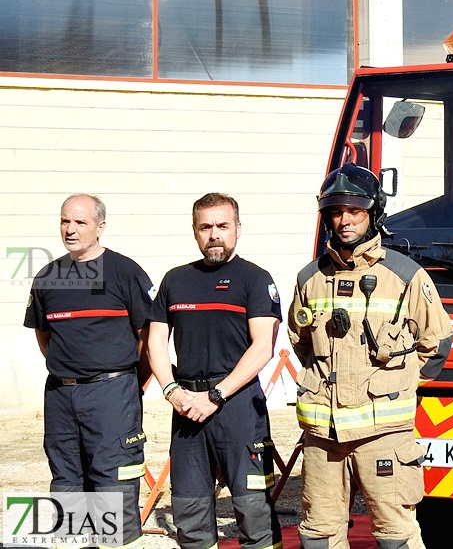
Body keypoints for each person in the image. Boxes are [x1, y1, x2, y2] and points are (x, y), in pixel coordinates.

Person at [288, 163, 453, 549]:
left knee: (395, 536)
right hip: (323, 437)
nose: (344, 220)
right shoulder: (308, 278)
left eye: (354, 211)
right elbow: (301, 342)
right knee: (318, 536)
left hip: (384, 437)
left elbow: (436, 344)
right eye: (336, 211)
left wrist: (395, 387)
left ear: (373, 212)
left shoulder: (406, 276)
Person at [146, 193, 283, 549]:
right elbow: (156, 342)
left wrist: (216, 395)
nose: (214, 235)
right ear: (194, 230)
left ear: (238, 228)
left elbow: (262, 346)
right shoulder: (175, 280)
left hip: (236, 406)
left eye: (223, 226)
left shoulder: (255, 279)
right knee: (190, 514)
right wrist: (172, 391)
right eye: (205, 227)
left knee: (253, 510)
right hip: (187, 406)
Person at [24, 194, 154, 549]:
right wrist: (71, 375)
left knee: (112, 482)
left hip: (112, 394)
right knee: (66, 478)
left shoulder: (126, 273)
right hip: (61, 397)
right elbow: (45, 338)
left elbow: (148, 339)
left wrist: (125, 385)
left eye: (80, 222)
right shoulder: (48, 277)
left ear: (101, 227)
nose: (71, 229)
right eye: (65, 221)